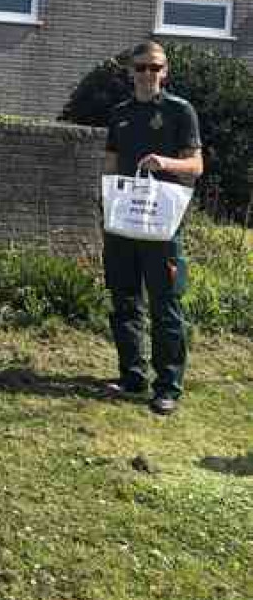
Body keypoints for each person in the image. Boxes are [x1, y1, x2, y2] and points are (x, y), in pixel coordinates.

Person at [103, 39, 203, 415]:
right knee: (124, 299)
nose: (148, 74)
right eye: (141, 67)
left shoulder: (181, 111)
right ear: (130, 72)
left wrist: (166, 163)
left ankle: (168, 387)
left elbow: (196, 167)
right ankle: (132, 376)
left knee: (165, 305)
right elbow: (111, 162)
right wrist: (106, 202)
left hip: (162, 225)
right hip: (123, 221)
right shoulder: (120, 112)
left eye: (155, 68)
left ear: (166, 72)